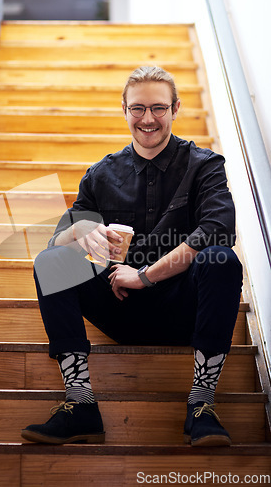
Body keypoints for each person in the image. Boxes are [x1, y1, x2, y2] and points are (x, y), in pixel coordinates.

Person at [21, 66, 243, 447]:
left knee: (220, 258)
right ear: (124, 110)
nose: (148, 119)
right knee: (51, 261)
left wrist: (143, 276)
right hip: (118, 308)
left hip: (182, 311)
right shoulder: (101, 174)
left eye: (158, 108)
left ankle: (201, 405)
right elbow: (56, 241)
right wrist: (79, 231)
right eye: (137, 108)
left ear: (175, 109)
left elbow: (218, 228)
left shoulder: (204, 166)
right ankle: (81, 403)